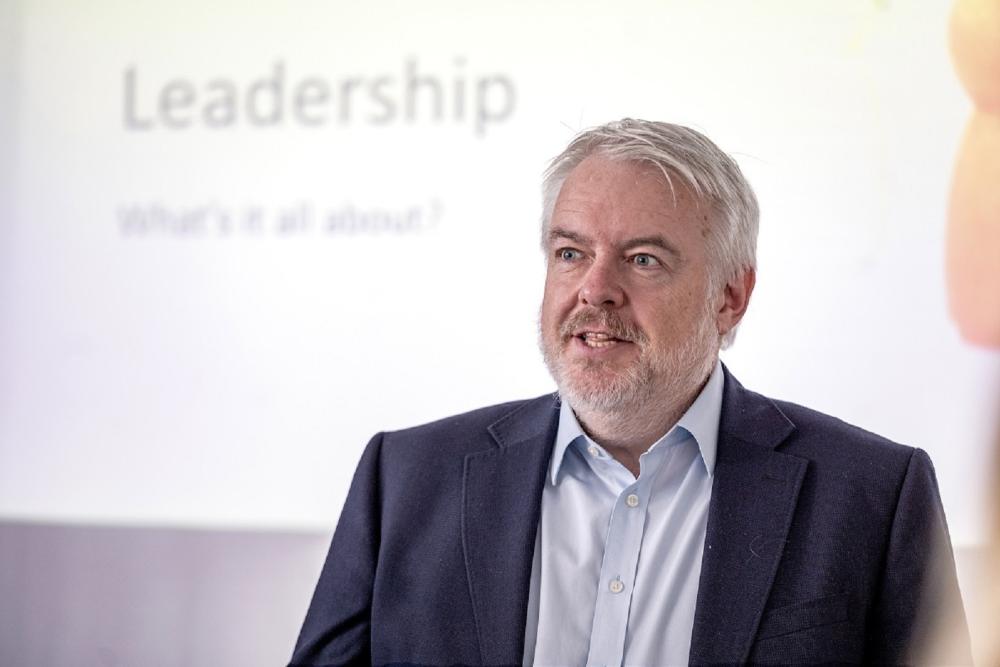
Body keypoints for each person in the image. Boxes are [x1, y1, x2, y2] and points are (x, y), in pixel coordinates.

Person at [289, 119, 971, 666]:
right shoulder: (404, 478)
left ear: (730, 296)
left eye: (643, 259)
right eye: (571, 253)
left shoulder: (872, 496)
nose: (595, 290)